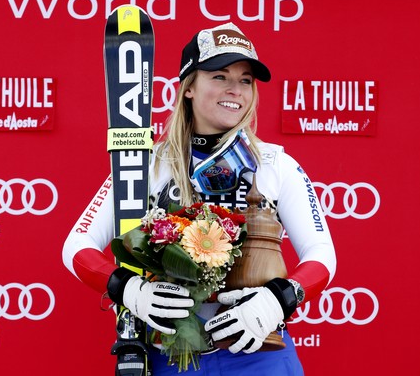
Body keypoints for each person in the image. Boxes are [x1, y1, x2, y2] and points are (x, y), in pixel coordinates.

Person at [63, 22, 336, 375]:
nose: (235, 90)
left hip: (259, 355)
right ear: (189, 87)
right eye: (220, 76)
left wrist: (279, 298)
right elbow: (76, 245)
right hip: (170, 357)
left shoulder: (274, 164)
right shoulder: (147, 163)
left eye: (245, 80)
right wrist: (129, 290)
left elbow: (322, 254)